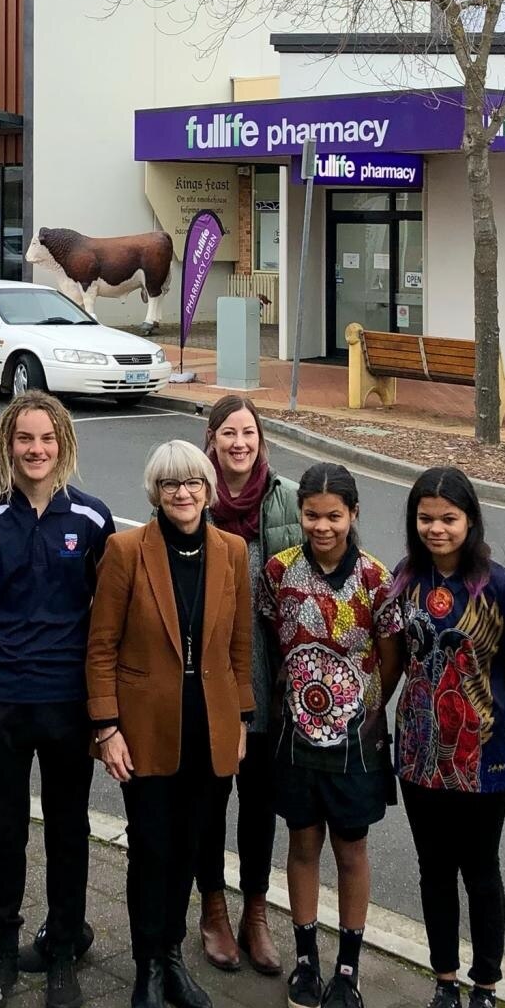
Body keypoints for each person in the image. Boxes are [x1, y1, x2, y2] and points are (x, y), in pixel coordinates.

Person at [0, 391, 113, 1008]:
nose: (36, 450)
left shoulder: (93, 520)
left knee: (69, 831)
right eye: (24, 439)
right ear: (7, 447)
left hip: (68, 704)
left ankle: (64, 948)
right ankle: (6, 950)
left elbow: (108, 613)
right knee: (6, 831)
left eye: (46, 439)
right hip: (0, 703)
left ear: (62, 444)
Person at [88, 440, 252, 1008]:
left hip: (210, 729)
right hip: (145, 730)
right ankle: (147, 971)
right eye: (170, 485)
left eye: (193, 483)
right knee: (152, 851)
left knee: (189, 851)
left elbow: (238, 645)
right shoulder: (126, 550)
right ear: (154, 493)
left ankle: (175, 957)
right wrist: (106, 728)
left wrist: (240, 722)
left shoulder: (231, 552)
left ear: (210, 490)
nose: (183, 494)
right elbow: (100, 645)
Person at [391, 466, 505, 1008]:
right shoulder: (405, 582)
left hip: (482, 758)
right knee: (433, 868)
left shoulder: (499, 587)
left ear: (470, 520)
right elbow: (399, 659)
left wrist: (498, 722)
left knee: (480, 869)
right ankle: (445, 984)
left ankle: (485, 991)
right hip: (419, 753)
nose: (436, 528)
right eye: (426, 518)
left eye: (448, 518)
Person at [259, 463, 403, 1008]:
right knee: (301, 844)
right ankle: (304, 958)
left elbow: (391, 657)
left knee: (351, 850)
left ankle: (348, 967)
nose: (322, 526)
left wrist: (367, 710)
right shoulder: (279, 572)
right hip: (295, 732)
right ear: (301, 515)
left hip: (356, 739)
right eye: (312, 515)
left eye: (334, 516)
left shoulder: (375, 579)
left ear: (354, 515)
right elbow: (272, 639)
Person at [196, 394, 299, 975]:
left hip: (271, 677)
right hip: (209, 679)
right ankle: (211, 906)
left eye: (249, 434)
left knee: (260, 804)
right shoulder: (195, 494)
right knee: (208, 802)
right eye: (229, 433)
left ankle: (254, 911)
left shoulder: (284, 499)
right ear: (211, 439)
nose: (239, 443)